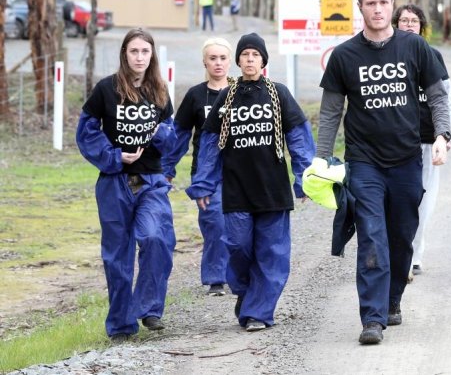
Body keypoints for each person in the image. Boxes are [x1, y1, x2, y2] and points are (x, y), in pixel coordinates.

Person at [315, 0, 451, 345]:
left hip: (407, 160)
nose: (377, 9)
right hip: (364, 162)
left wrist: (442, 136)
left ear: (393, 5)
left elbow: (438, 97)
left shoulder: (415, 47)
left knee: (401, 237)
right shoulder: (345, 56)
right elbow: (330, 113)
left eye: (383, 3)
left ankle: (392, 301)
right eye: (370, 3)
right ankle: (372, 318)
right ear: (360, 7)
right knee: (372, 237)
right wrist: (322, 159)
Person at [186, 33, 315, 332]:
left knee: (272, 253)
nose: (249, 59)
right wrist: (203, 183)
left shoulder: (278, 93)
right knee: (238, 247)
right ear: (238, 60)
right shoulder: (226, 97)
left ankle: (258, 312)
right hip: (237, 189)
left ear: (263, 61)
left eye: (255, 55)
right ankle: (245, 292)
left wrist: (303, 178)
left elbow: (298, 137)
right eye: (244, 54)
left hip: (272, 190)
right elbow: (208, 144)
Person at [76, 28, 177, 342]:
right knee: (116, 256)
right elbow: (86, 131)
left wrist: (162, 136)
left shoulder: (159, 90)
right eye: (134, 51)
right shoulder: (106, 89)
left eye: (145, 52)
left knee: (157, 237)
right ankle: (121, 325)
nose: (139, 57)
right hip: (114, 182)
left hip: (151, 180)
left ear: (152, 56)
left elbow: (171, 130)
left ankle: (149, 308)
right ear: (125, 54)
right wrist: (114, 156)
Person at [390, 4, 451, 281]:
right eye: (403, 20)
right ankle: (399, 255)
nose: (408, 25)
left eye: (413, 21)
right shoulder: (386, 57)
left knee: (423, 201)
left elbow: (446, 98)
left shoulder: (433, 56)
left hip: (428, 141)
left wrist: (446, 135)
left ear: (422, 27)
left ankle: (415, 255)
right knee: (399, 202)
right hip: (395, 143)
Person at [162, 38, 233, 296]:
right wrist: (167, 170)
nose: (218, 63)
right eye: (212, 58)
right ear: (204, 61)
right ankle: (216, 278)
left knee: (239, 224)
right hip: (206, 175)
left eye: (223, 58)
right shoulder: (195, 95)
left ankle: (240, 275)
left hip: (240, 171)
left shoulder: (242, 91)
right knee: (215, 221)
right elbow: (179, 136)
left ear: (230, 61)